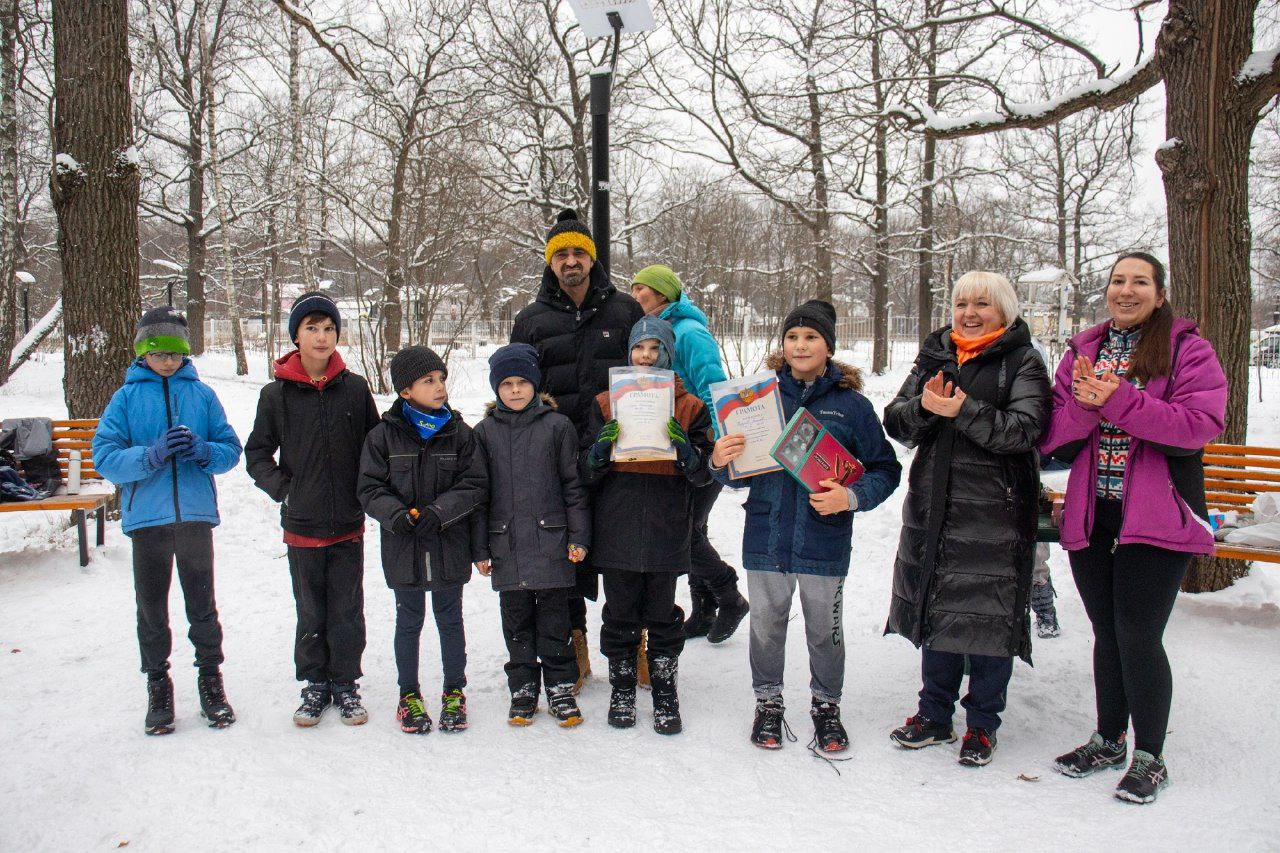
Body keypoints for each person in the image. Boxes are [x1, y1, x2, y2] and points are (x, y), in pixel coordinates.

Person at [1040, 252, 1226, 804]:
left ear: (1159, 293)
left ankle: (1150, 756)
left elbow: (1197, 427)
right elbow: (1053, 437)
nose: (1126, 290)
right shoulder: (1083, 350)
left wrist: (1117, 398)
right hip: (1095, 511)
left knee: (1139, 634)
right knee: (1106, 632)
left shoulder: (1187, 349)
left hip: (1158, 513)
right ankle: (1107, 738)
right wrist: (1088, 406)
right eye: (1118, 281)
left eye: (1139, 282)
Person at [710, 300, 901, 753]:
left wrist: (850, 497)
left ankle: (826, 705)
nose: (800, 345)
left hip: (823, 539)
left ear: (829, 346)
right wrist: (719, 460)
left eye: (811, 337)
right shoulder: (758, 400)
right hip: (766, 536)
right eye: (792, 337)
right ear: (782, 345)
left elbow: (885, 469)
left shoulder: (851, 407)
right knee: (766, 626)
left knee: (824, 631)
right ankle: (768, 703)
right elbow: (729, 472)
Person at [882, 272, 1051, 767]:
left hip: (994, 513)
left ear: (1004, 310)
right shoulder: (937, 353)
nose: (969, 313)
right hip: (934, 508)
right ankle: (933, 715)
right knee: (937, 609)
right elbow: (897, 420)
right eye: (961, 303)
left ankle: (982, 724)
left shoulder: (1022, 360)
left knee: (988, 616)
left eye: (982, 303)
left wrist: (964, 409)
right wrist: (926, 409)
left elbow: (1026, 430)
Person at [94, 306, 243, 735]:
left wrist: (202, 450)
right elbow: (105, 456)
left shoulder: (201, 396)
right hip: (148, 522)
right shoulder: (125, 399)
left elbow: (229, 449)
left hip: (194, 517)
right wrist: (150, 455)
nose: (169, 362)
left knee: (202, 604)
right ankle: (158, 683)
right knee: (152, 607)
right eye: (160, 354)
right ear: (143, 353)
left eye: (176, 354)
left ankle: (210, 680)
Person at [510, 208, 644, 684]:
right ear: (550, 263)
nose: (570, 262)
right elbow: (517, 390)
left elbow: (650, 371)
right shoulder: (531, 320)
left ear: (591, 258)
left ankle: (634, 644)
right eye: (561, 254)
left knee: (625, 553)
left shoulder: (625, 310)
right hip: (558, 460)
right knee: (566, 557)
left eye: (578, 253)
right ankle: (575, 646)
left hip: (622, 452)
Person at [245, 293, 380, 727]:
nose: (321, 337)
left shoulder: (356, 389)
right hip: (302, 523)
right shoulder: (276, 395)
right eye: (311, 329)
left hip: (347, 522)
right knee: (310, 607)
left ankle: (345, 682)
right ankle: (315, 683)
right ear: (296, 336)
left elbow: (375, 448)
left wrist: (365, 491)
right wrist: (285, 489)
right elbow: (258, 453)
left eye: (328, 329)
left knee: (347, 606)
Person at [581, 317, 713, 735]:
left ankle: (664, 690)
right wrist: (600, 451)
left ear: (669, 355)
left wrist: (689, 454)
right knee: (619, 612)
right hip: (617, 522)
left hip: (665, 524)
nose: (646, 356)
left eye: (655, 349)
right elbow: (584, 469)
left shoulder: (690, 407)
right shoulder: (606, 402)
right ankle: (622, 688)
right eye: (639, 348)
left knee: (661, 613)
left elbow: (708, 472)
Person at [358, 346, 487, 734]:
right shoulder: (382, 436)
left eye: (441, 378)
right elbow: (369, 486)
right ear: (405, 391)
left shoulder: (460, 434)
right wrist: (396, 515)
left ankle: (454, 692)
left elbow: (474, 484)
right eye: (428, 381)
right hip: (404, 549)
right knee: (409, 620)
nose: (439, 386)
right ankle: (408, 694)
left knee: (450, 619)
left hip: (448, 546)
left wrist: (439, 512)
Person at [471, 343, 592, 727]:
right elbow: (478, 495)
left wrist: (579, 537)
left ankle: (559, 685)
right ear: (496, 389)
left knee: (556, 620)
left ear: (536, 384)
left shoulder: (558, 427)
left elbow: (574, 487)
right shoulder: (484, 433)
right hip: (506, 544)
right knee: (517, 621)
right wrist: (480, 548)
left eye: (523, 382)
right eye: (506, 384)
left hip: (552, 543)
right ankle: (523, 687)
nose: (516, 390)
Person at [630, 264, 749, 644]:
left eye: (641, 290)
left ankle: (728, 595)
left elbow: (714, 386)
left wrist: (714, 439)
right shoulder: (653, 332)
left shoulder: (689, 332)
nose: (634, 297)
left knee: (684, 530)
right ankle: (704, 609)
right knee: (696, 526)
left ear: (663, 294)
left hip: (702, 443)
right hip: (671, 443)